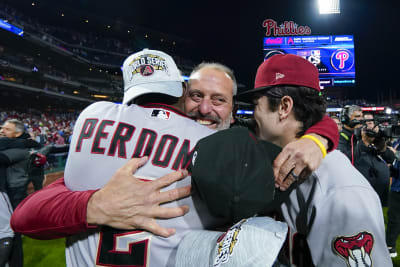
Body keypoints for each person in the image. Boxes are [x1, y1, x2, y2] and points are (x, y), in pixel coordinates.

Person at [11, 51, 338, 265]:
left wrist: (318, 137)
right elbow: (27, 216)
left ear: (235, 108)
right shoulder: (137, 146)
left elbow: (299, 121)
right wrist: (92, 206)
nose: (206, 108)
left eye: (218, 100)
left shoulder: (239, 146)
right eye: (196, 96)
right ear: (180, 98)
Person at [177, 54, 392, 266]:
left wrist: (319, 139)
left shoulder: (341, 190)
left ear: (284, 107)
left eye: (256, 106)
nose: (253, 116)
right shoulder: (263, 150)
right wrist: (321, 135)